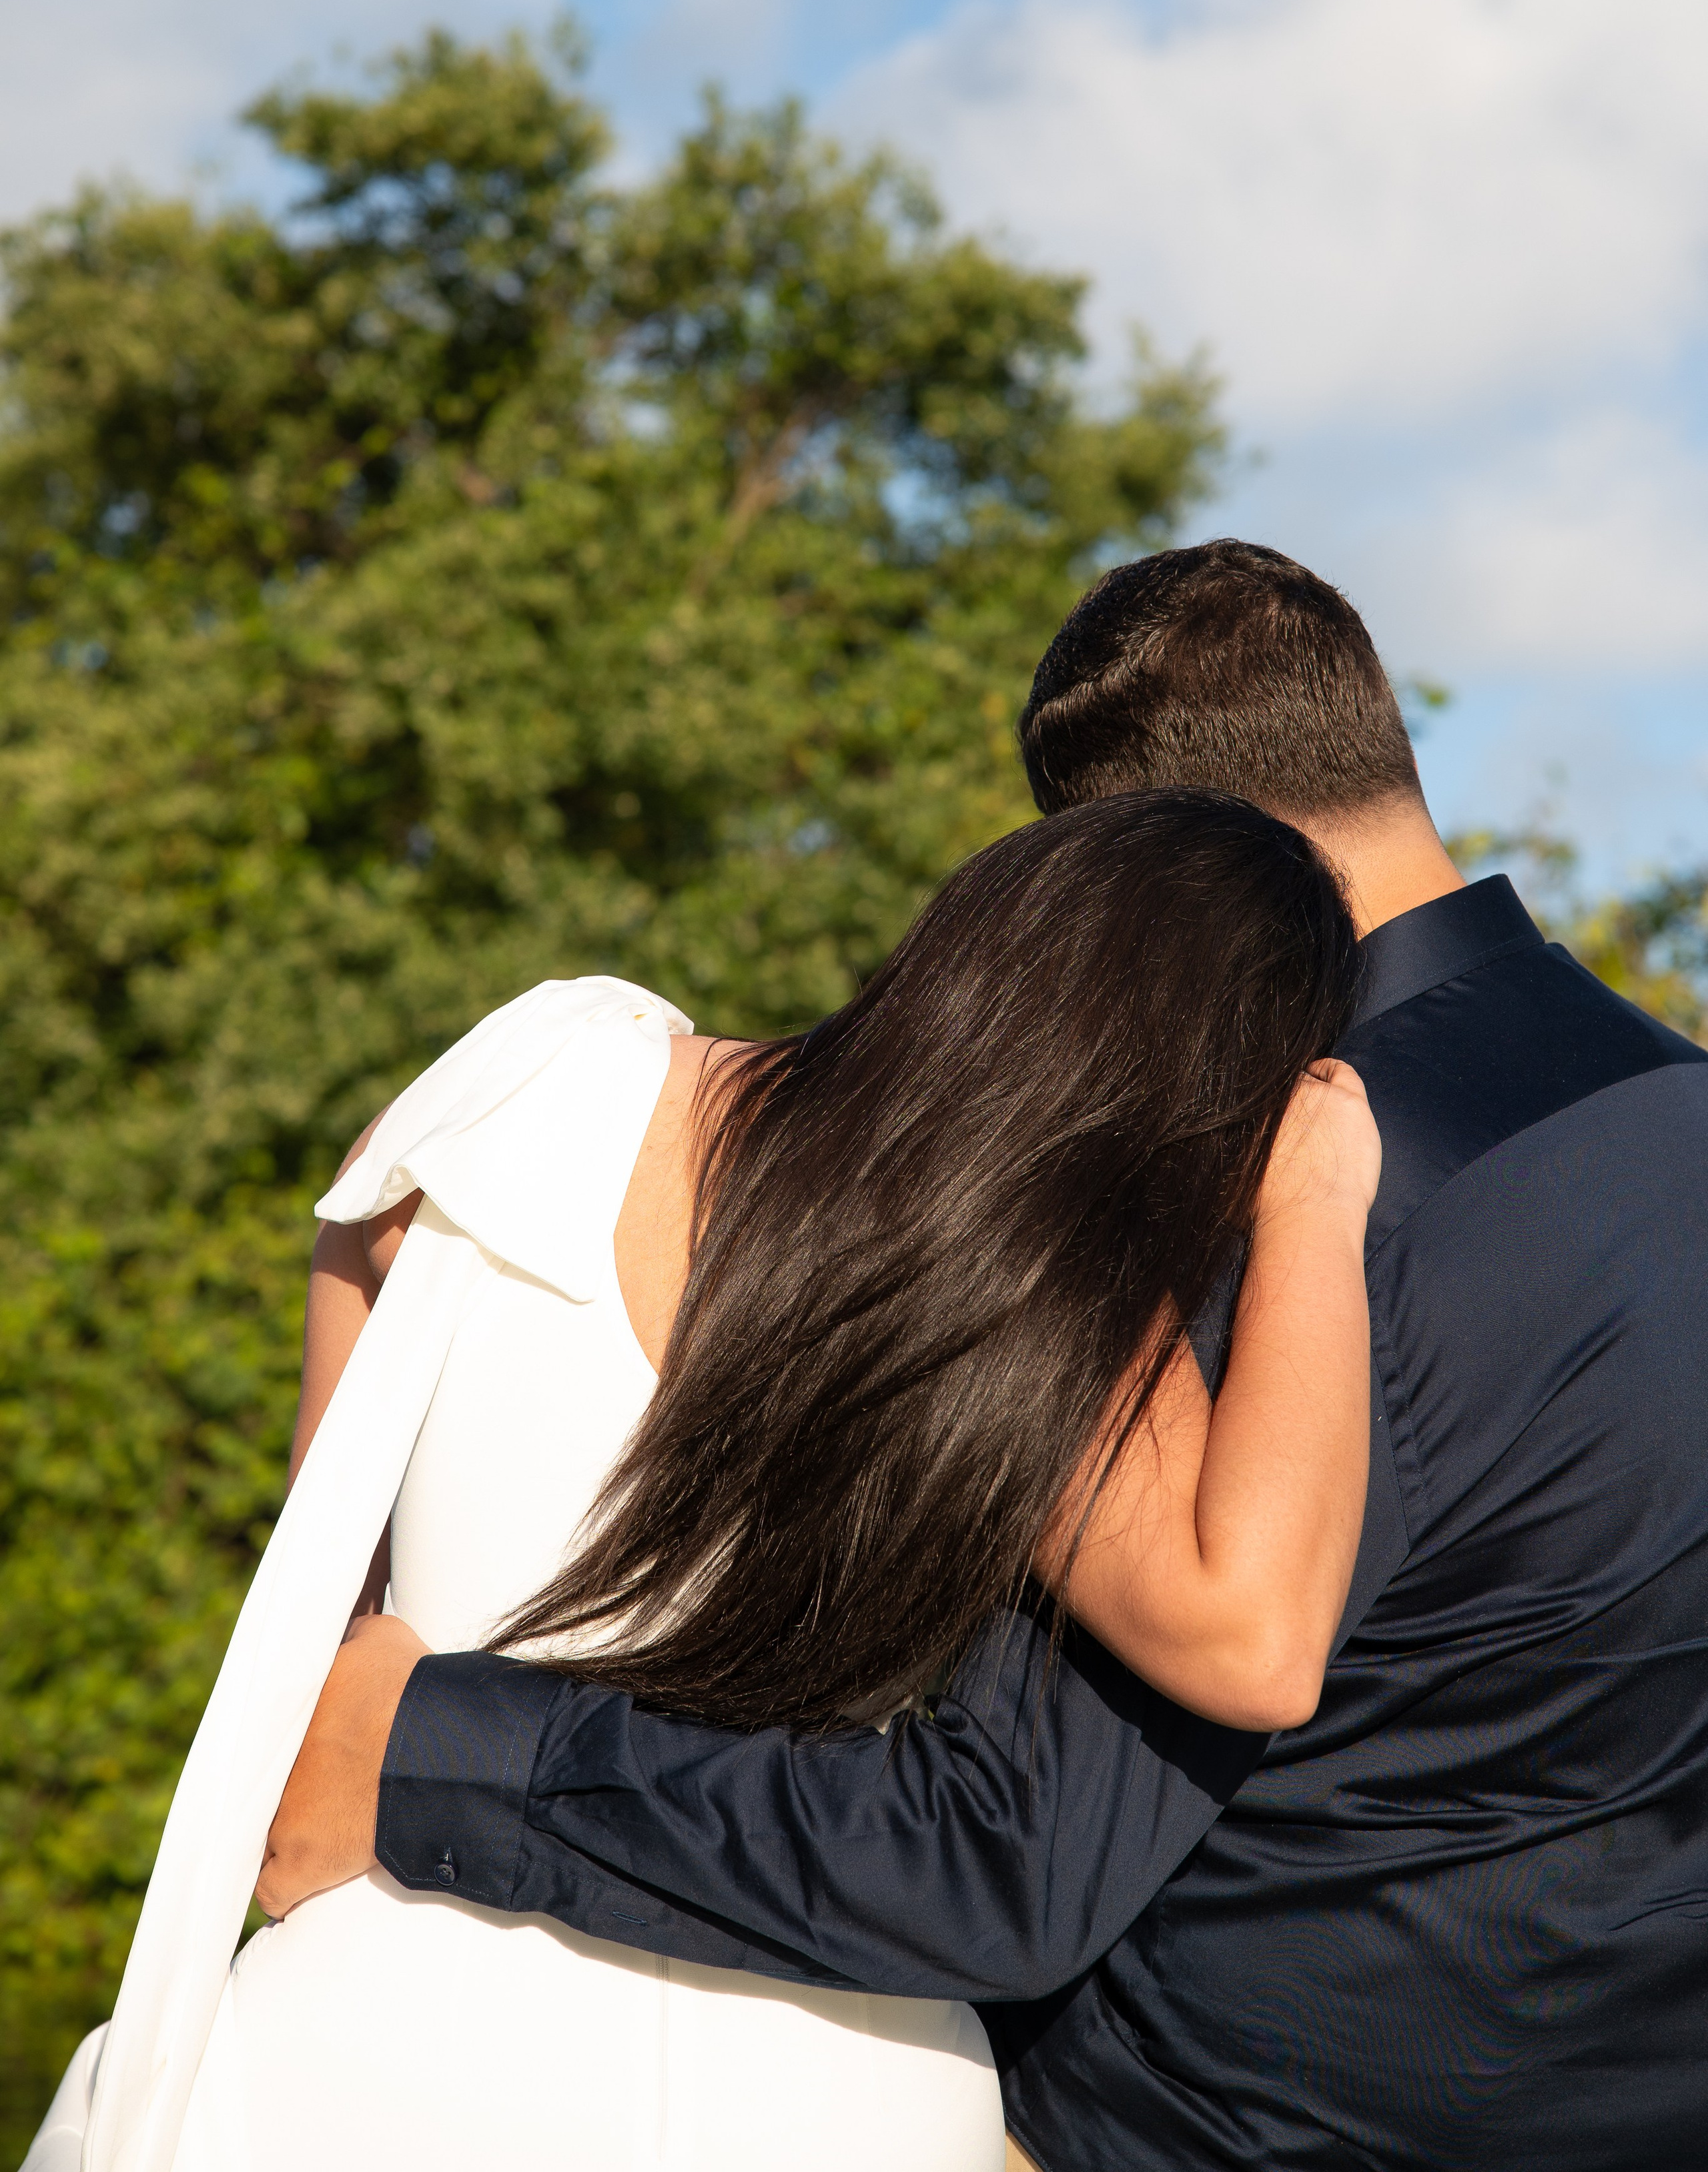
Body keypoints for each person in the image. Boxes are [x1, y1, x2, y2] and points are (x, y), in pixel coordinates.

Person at [258, 539, 1708, 2172]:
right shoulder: (1675, 1107)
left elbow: (1005, 1853)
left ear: (1129, 862)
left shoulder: (1260, 1203)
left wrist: (432, 1754)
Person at [37, 782, 1381, 2172]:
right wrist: (1314, 1204)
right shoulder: (1035, 1301)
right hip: (826, 2093)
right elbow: (1257, 1641)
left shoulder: (548, 1083)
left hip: (386, 2036)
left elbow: (328, 1586)